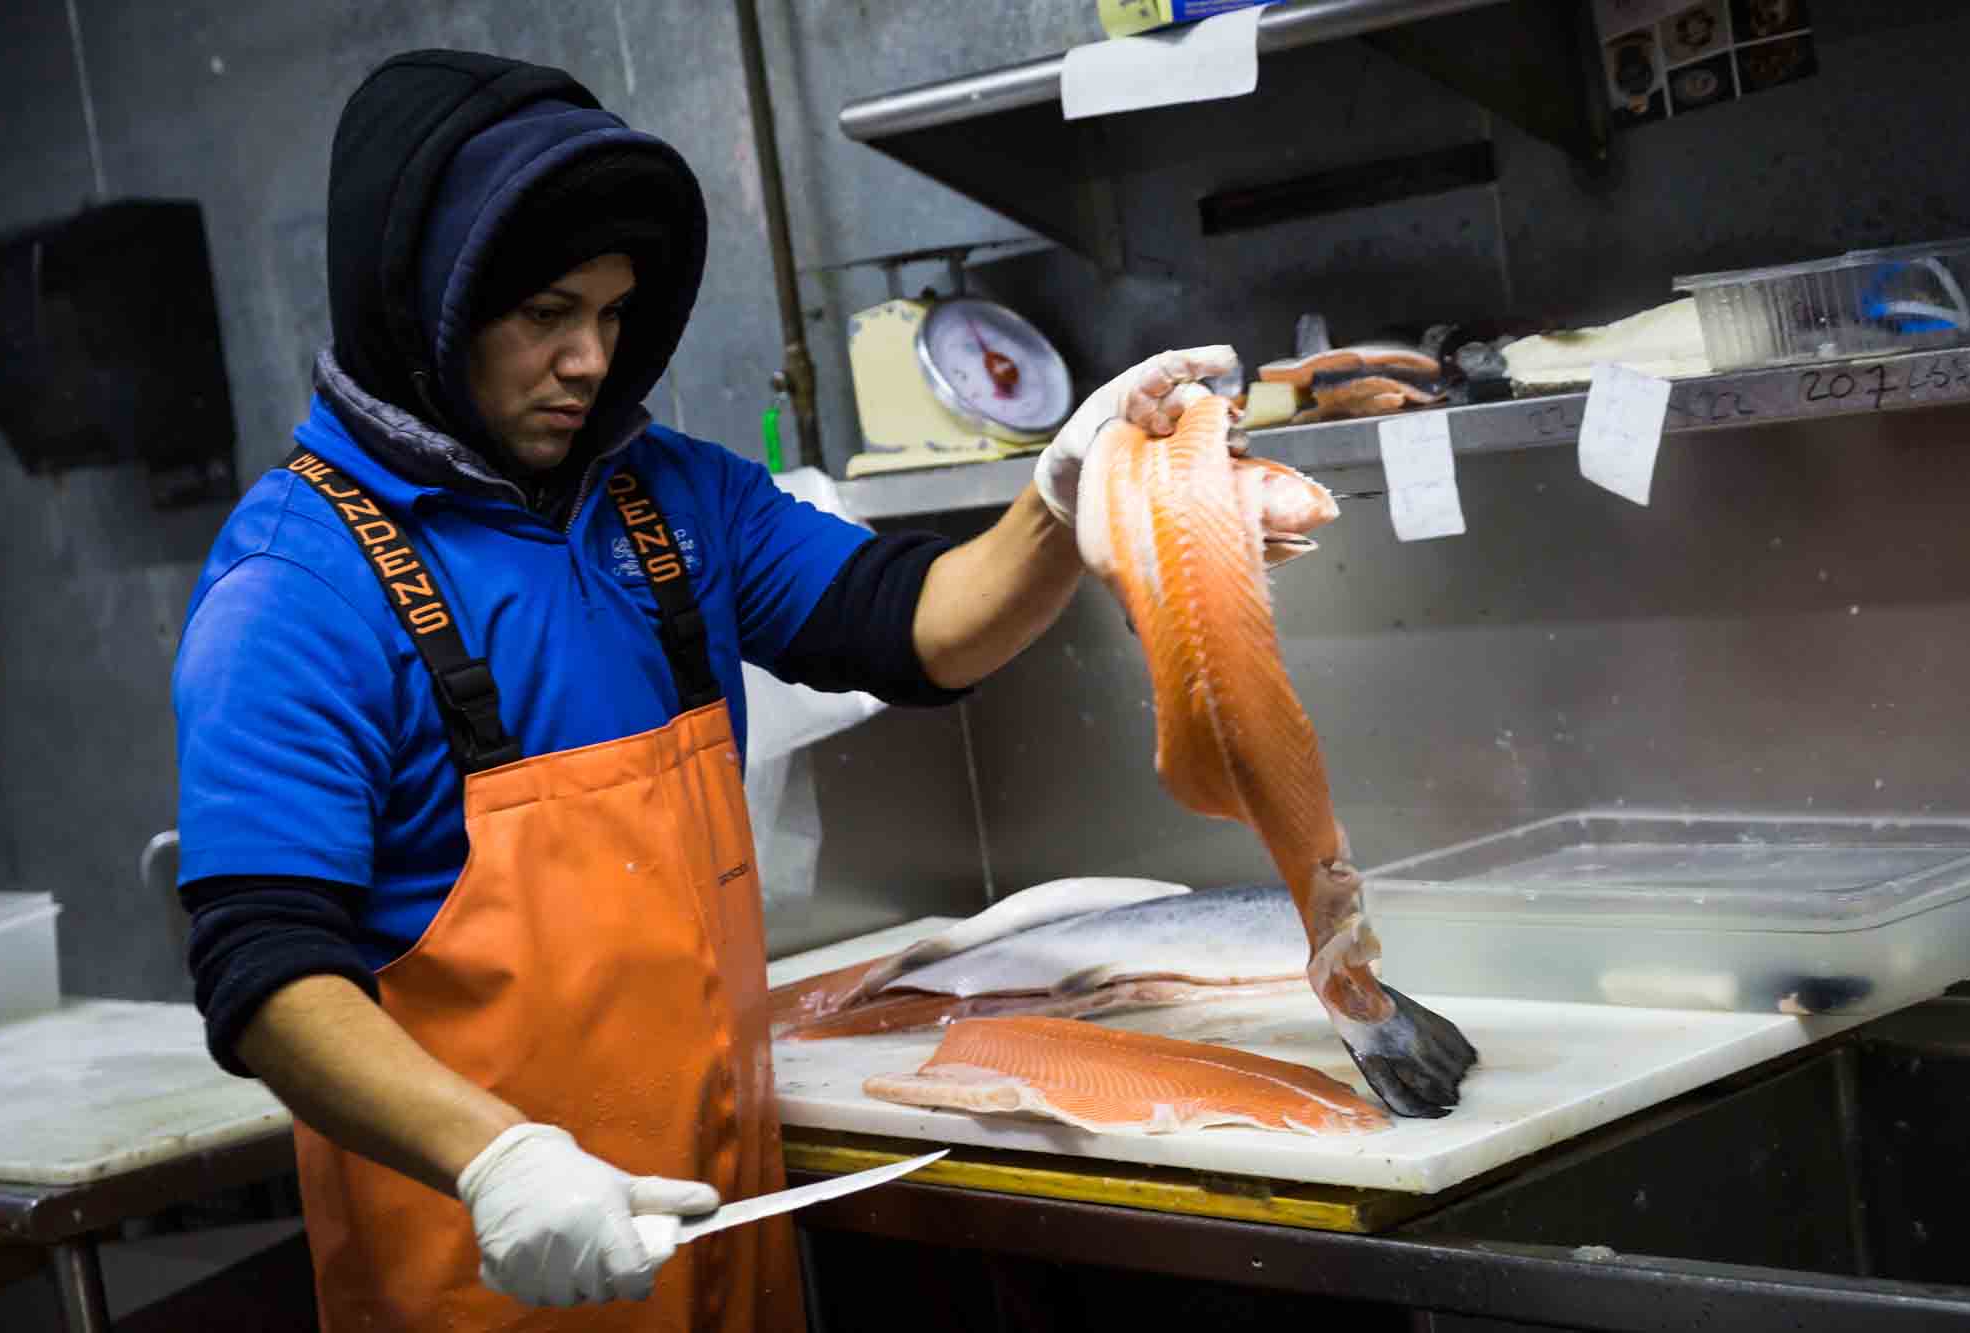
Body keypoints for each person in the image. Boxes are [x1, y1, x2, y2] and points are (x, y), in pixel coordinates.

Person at [172, 48, 1237, 1332]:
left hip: (721, 1246)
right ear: (420, 308)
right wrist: (498, 1161)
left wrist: (1061, 502)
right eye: (544, 314)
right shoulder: (297, 588)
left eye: (614, 317)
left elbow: (914, 630)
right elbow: (267, 973)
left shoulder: (667, 495)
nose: (587, 360)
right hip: (497, 1262)